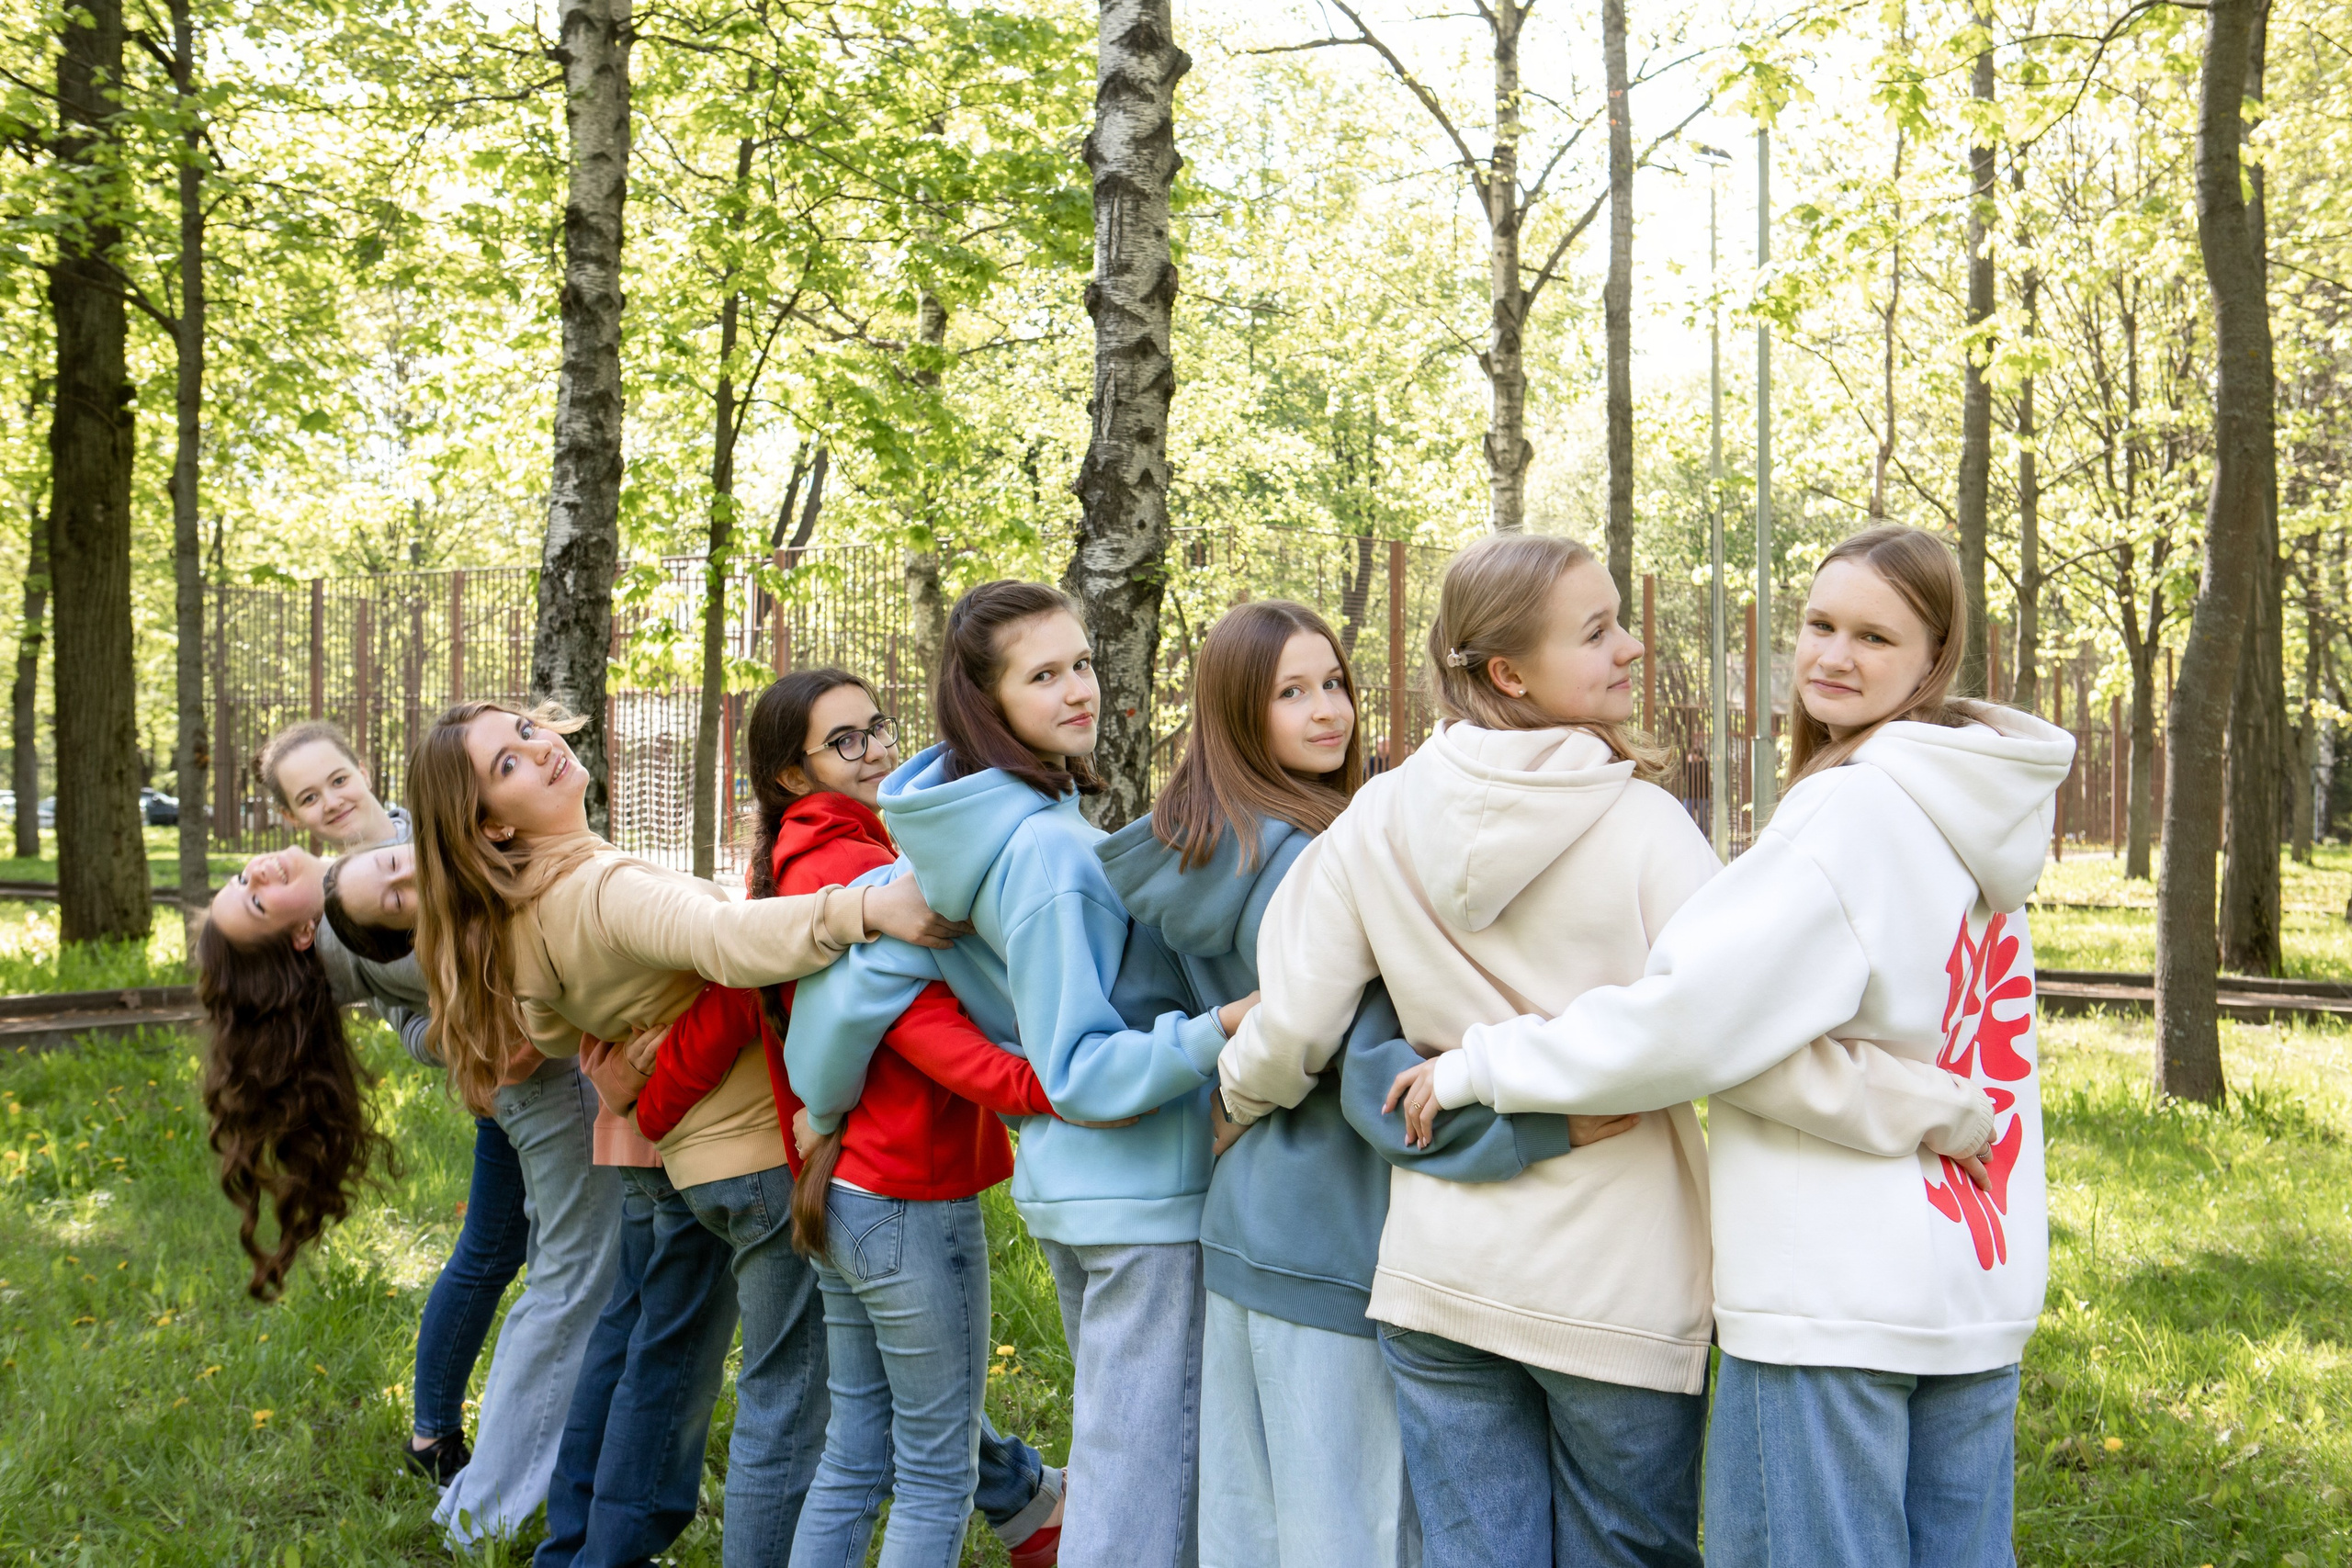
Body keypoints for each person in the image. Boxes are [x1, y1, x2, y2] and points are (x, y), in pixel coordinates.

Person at [1223, 534, 1991, 1568]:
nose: (1631, 648)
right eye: (1597, 633)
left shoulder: (1373, 819)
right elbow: (1741, 1046)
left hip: (1439, 1276)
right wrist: (1926, 1107)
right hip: (1618, 1294)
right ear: (1508, 672)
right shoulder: (1644, 830)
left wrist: (1236, 1096)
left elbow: (1294, 1027)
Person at [404, 698, 960, 1556]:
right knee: (788, 1393)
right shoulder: (600, 887)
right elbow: (729, 939)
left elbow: (550, 1028)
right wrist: (866, 910)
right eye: (507, 764)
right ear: (491, 827)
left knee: (668, 1349)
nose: (539, 748)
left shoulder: (526, 915)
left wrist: (621, 1040)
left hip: (691, 1161)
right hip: (752, 1157)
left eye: (525, 731)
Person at [1094, 599, 1574, 1568]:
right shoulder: (1317, 861)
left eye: (1335, 684)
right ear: (1235, 712)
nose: (1329, 712)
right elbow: (1375, 1078)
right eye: (1290, 693)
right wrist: (1550, 1129)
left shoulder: (1185, 853)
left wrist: (1220, 1104)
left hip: (1239, 1229)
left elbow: (1148, 1022)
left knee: (1250, 1527)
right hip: (1338, 1239)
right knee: (1349, 1528)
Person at [786, 582, 1251, 1568]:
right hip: (1140, 1194)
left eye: (1081, 663)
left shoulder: (960, 843)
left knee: (1126, 1463)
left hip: (1076, 1192)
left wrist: (820, 1103)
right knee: (1142, 1490)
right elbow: (1075, 1068)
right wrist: (1221, 1027)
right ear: (985, 702)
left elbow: (859, 991)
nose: (1078, 690)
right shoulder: (1047, 853)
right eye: (1043, 676)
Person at [628, 668, 1066, 1567]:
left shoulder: (799, 859)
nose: (875, 752)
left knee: (855, 1453)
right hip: (906, 1186)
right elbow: (916, 1024)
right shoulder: (856, 868)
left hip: (838, 1185)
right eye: (847, 742)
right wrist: (1057, 1085)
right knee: (936, 1469)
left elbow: (761, 1010)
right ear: (794, 773)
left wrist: (660, 1107)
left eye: (878, 728)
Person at [224, 716, 527, 1491]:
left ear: (362, 767)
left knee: (534, 1250)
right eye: (306, 796)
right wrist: (462, 1047)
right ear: (292, 816)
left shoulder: (439, 818)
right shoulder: (326, 923)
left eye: (336, 778)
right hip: (504, 1079)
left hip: (571, 1036)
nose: (330, 799)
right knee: (493, 1252)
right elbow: (407, 1025)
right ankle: (435, 1433)